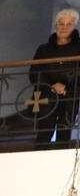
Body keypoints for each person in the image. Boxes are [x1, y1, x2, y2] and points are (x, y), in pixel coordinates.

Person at [30, 8, 80, 148]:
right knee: (44, 132)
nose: (64, 27)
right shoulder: (43, 49)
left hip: (70, 95)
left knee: (64, 132)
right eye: (60, 23)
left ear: (74, 26)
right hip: (46, 95)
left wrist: (67, 88)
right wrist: (52, 85)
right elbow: (34, 73)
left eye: (68, 24)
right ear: (56, 25)